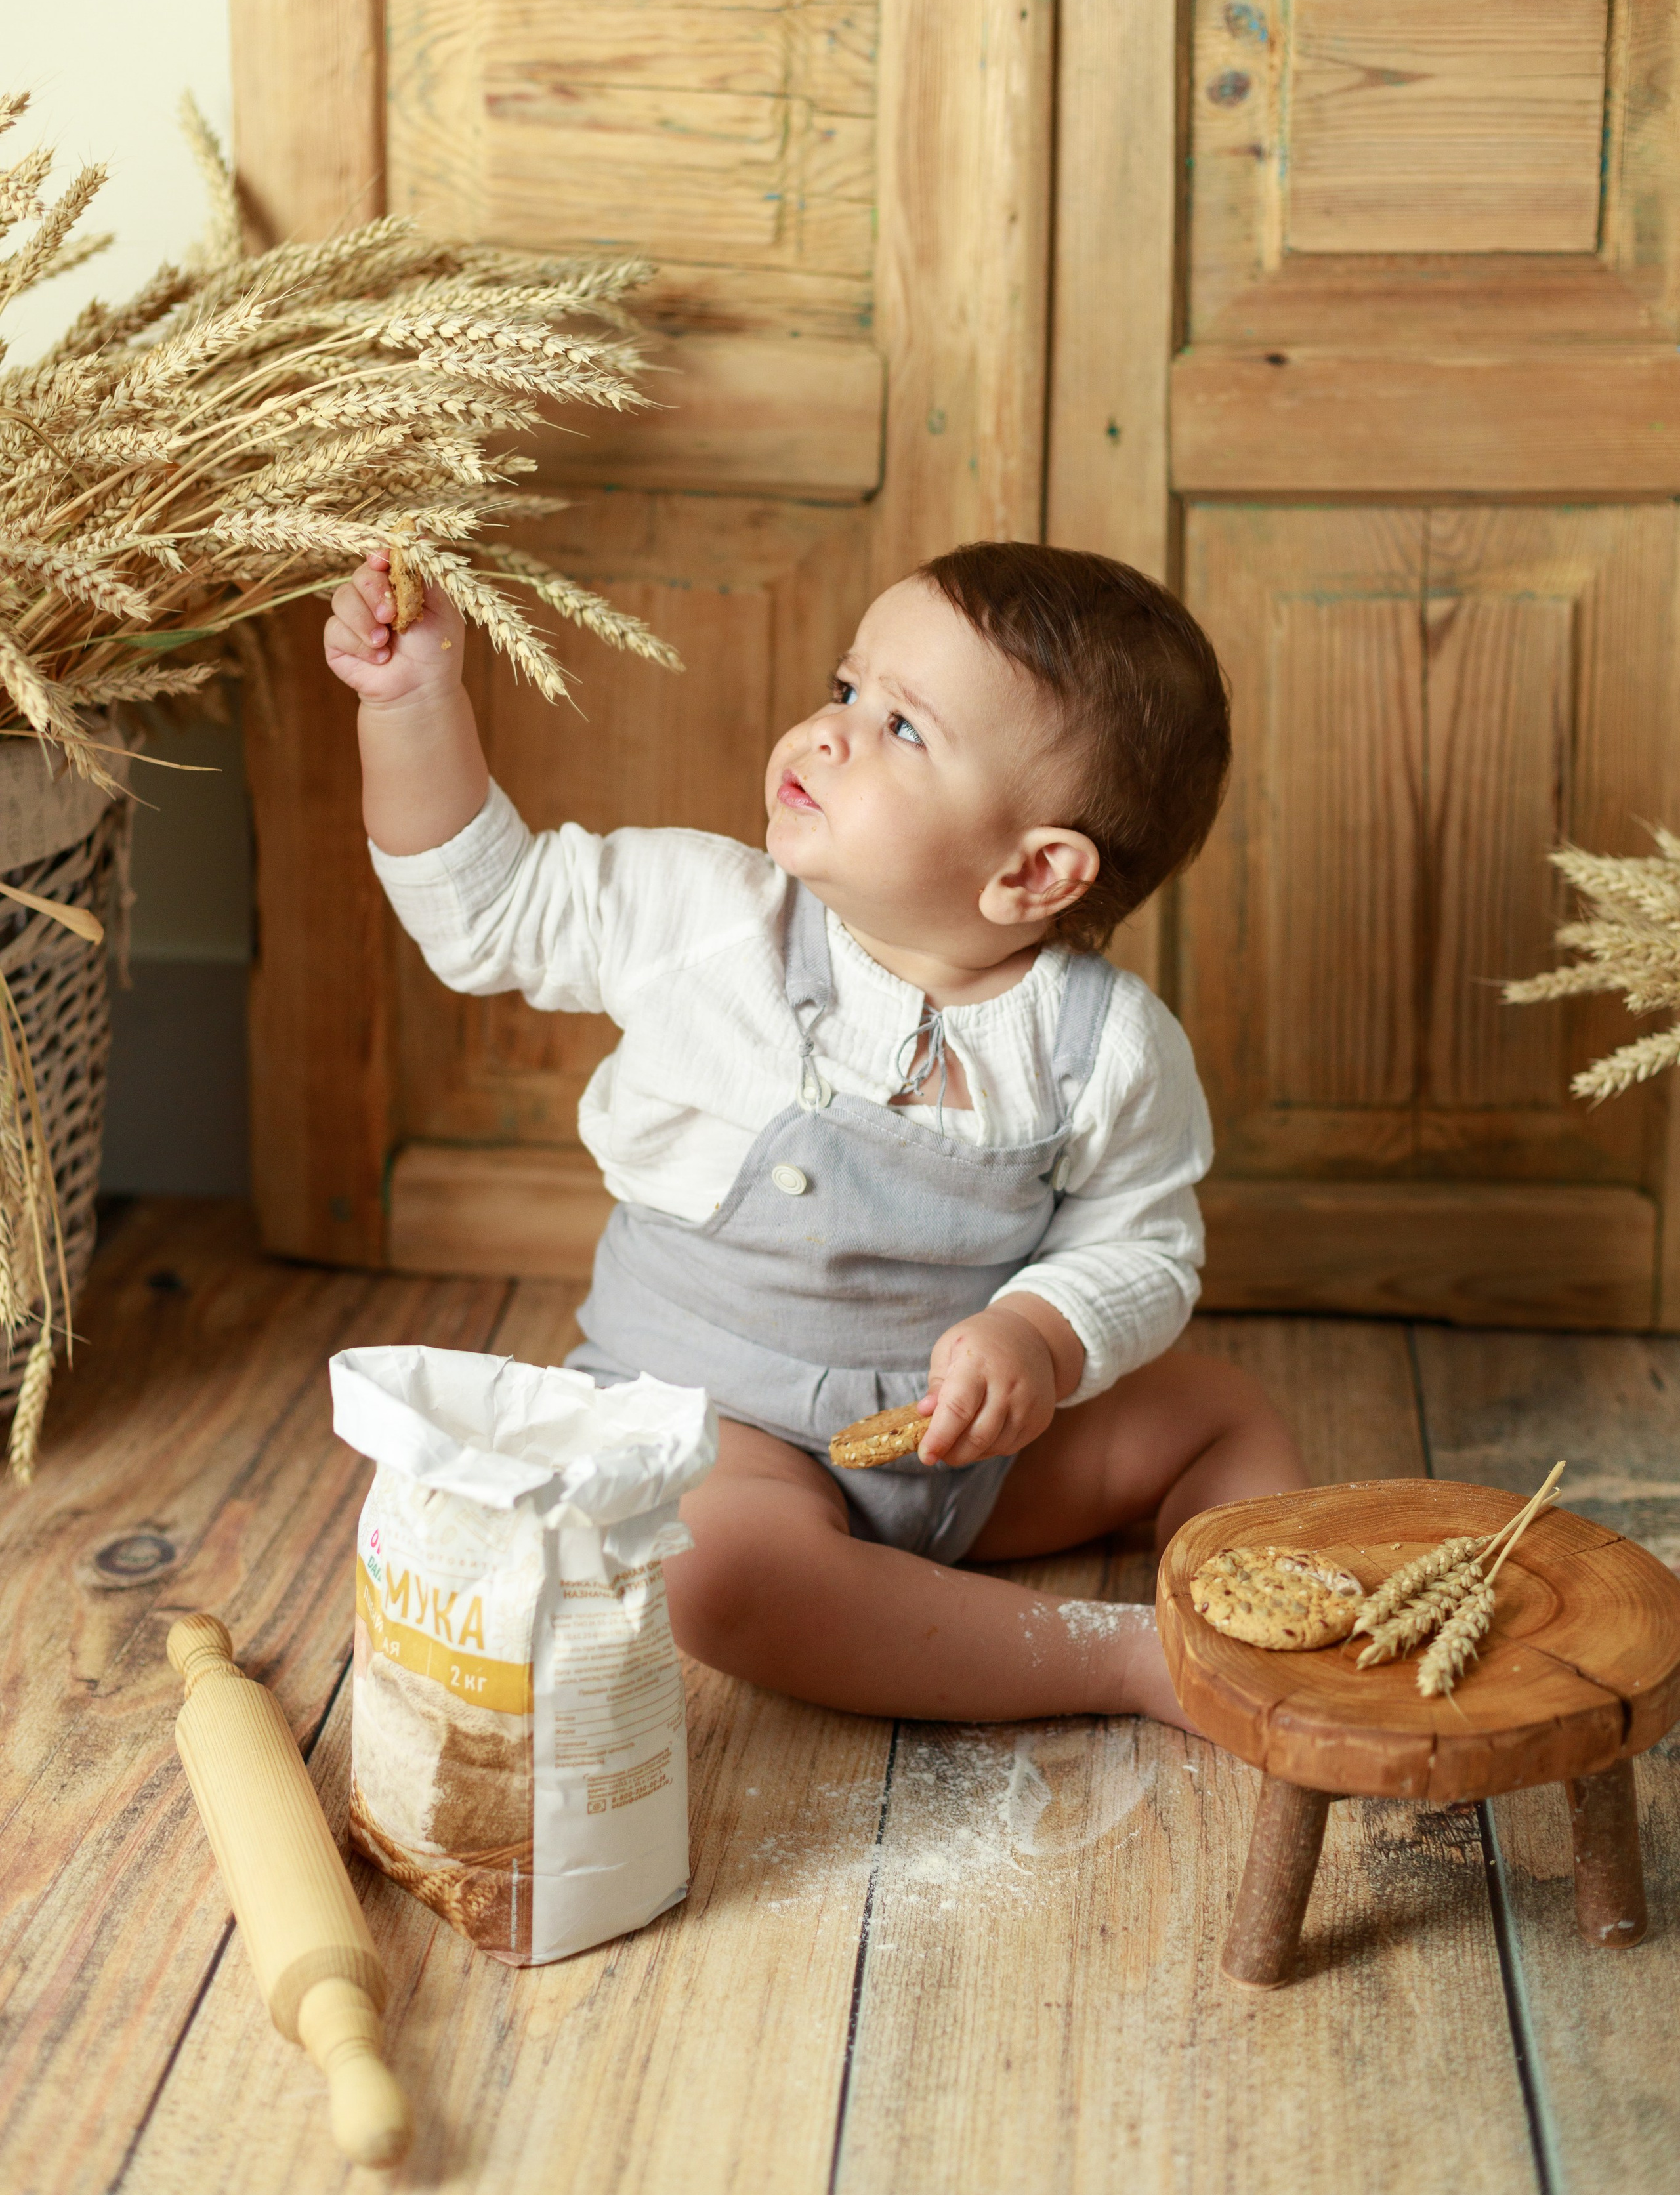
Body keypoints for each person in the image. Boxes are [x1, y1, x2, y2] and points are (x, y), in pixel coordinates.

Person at [325, 541, 1306, 1728]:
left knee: (1224, 1414)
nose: (829, 732)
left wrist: (1038, 1337)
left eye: (904, 729)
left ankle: (1266, 1621)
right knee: (715, 1578)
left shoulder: (1106, 1045)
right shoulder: (702, 915)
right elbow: (487, 910)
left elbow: (1144, 1246)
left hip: (972, 1454)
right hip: (720, 1432)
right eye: (850, 691)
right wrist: (413, 703)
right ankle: (1124, 1661)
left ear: (1034, 870)